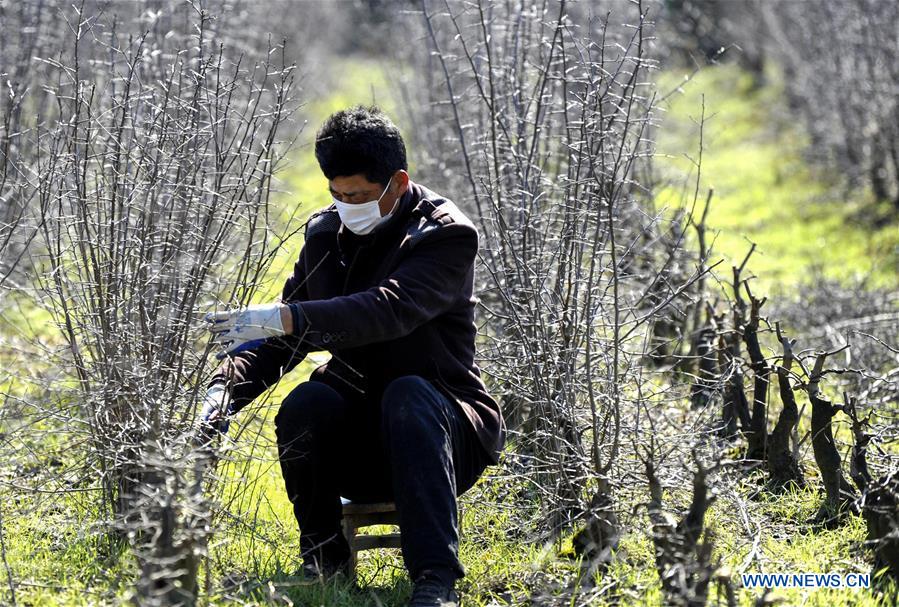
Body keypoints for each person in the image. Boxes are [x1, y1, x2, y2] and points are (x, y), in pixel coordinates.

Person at [201, 105, 505, 607]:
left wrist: (289, 316)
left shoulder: (445, 235)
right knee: (306, 402)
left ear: (398, 182)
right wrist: (220, 394)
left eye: (360, 196)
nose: (348, 207)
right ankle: (324, 561)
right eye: (337, 196)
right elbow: (282, 341)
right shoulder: (325, 236)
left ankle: (435, 579)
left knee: (408, 393)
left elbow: (389, 310)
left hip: (445, 435)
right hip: (359, 442)